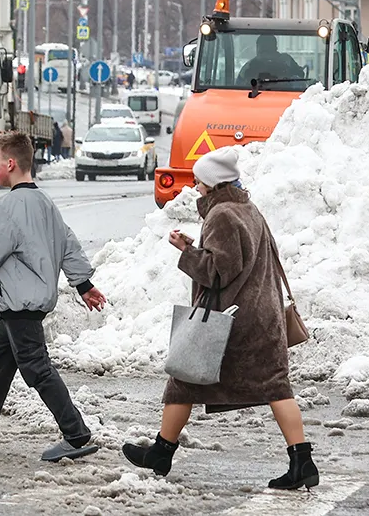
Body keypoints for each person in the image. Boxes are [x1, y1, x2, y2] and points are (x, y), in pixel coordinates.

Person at [122, 146, 318, 490]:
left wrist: (186, 251)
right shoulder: (247, 208)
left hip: (234, 322)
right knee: (275, 387)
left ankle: (161, 453)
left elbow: (217, 272)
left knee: (183, 379)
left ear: (212, 184)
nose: (195, 188)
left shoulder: (223, 214)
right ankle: (302, 462)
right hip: (262, 315)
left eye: (198, 182)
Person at [0, 131, 109, 463]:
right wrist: (84, 284)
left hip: (20, 304)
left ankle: (76, 434)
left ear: (11, 163)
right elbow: (68, 245)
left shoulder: (7, 208)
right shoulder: (46, 204)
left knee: (36, 369)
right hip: (25, 304)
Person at [237, 34, 303, 86]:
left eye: (268, 50)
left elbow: (301, 78)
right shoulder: (251, 65)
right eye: (263, 51)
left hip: (287, 93)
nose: (266, 56)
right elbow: (238, 85)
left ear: (275, 48)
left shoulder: (286, 60)